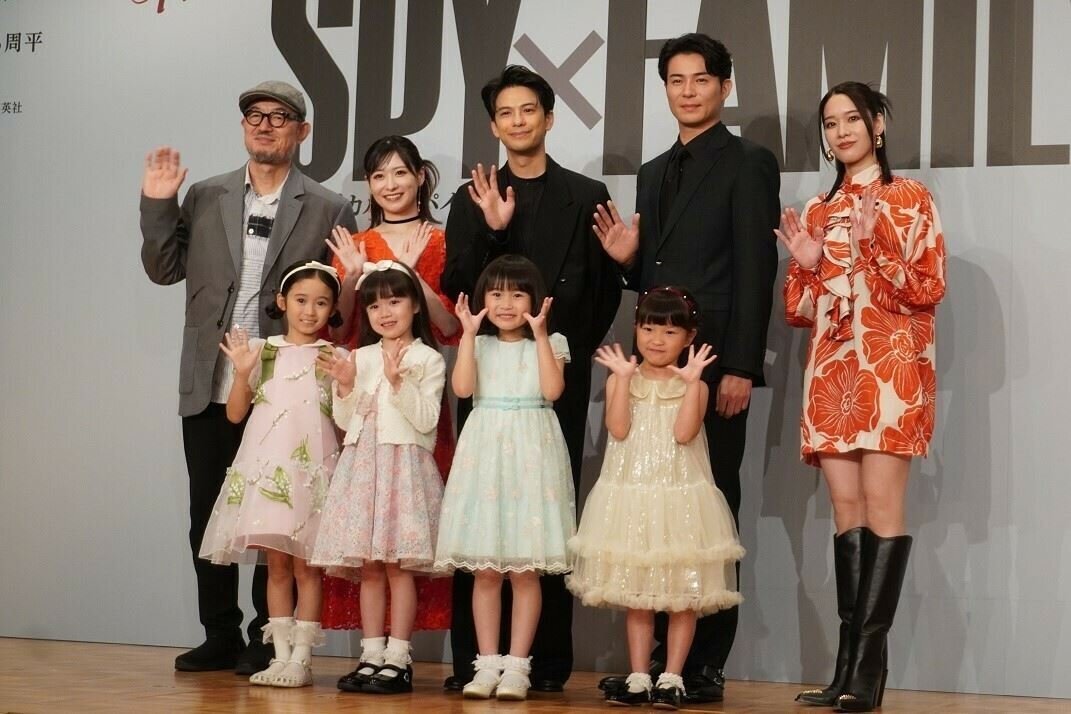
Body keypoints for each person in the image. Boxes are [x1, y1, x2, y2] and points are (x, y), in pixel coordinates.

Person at [139, 80, 357, 673]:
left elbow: (336, 307)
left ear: (301, 131)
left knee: (276, 516)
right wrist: (158, 205)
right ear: (243, 128)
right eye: (254, 116)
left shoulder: (328, 205)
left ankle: (269, 634)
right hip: (211, 378)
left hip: (284, 390)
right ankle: (219, 633)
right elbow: (163, 268)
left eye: (279, 117)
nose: (264, 125)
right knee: (206, 512)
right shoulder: (205, 194)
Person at [593, 33, 780, 702]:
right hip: (654, 372)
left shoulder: (748, 162)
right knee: (655, 512)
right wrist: (625, 263)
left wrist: (740, 365)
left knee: (710, 509)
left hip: (711, 367)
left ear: (725, 87)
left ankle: (702, 665)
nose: (688, 91)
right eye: (676, 80)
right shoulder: (652, 171)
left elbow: (756, 269)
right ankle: (651, 666)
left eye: (701, 79)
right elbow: (658, 275)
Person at [441, 64, 621, 693]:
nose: (517, 121)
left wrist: (566, 352)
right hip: (489, 377)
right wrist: (493, 231)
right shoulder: (473, 195)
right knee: (481, 520)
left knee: (546, 520)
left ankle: (541, 665)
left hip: (551, 374)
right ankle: (476, 660)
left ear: (548, 117)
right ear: (494, 126)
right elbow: (457, 283)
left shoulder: (587, 193)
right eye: (505, 113)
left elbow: (602, 290)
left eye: (528, 110)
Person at [778, 81, 945, 713]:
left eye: (852, 118)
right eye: (830, 123)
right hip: (832, 370)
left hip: (891, 367)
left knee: (882, 506)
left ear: (878, 125)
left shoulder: (910, 197)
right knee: (845, 510)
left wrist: (875, 243)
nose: (841, 131)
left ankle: (869, 668)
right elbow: (800, 308)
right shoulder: (819, 207)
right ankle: (845, 667)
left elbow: (927, 287)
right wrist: (807, 261)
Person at [568, 287, 745, 709]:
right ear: (636, 329)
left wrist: (692, 384)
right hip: (633, 497)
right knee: (638, 596)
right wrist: (622, 381)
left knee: (682, 596)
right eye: (648, 329)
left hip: (679, 498)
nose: (657, 340)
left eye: (669, 331)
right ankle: (637, 676)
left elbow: (684, 434)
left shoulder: (694, 385)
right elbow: (618, 429)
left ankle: (671, 677)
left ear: (689, 337)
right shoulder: (621, 379)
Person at [319, 136, 458, 647]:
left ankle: (402, 650)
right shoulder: (355, 245)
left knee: (413, 533)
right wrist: (352, 278)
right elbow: (339, 328)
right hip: (366, 390)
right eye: (379, 176)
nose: (391, 184)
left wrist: (416, 275)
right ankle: (373, 649)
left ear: (421, 177)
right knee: (371, 538)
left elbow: (450, 328)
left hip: (416, 392)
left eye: (401, 172)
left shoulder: (441, 241)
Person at [434, 255, 576, 701]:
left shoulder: (552, 341)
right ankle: (486, 663)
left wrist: (540, 336)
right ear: (483, 299)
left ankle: (517, 666)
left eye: (517, 294)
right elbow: (462, 389)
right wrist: (468, 335)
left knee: (525, 569)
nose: (507, 304)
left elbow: (552, 391)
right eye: (496, 294)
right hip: (486, 452)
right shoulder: (478, 342)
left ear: (536, 300)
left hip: (533, 451)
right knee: (486, 570)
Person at [199, 260, 345, 687]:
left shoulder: (334, 356)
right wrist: (242, 374)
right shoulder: (263, 351)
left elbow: (344, 418)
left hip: (312, 474)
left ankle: (302, 659)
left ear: (333, 307)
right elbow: (235, 414)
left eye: (321, 303)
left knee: (307, 570)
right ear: (282, 301)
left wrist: (347, 383)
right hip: (269, 474)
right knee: (276, 567)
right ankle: (279, 656)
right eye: (300, 300)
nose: (309, 311)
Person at [311, 260, 447, 695]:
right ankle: (371, 654)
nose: (384, 313)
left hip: (403, 469)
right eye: (373, 306)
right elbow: (345, 420)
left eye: (394, 301)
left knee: (398, 566)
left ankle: (398, 658)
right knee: (369, 567)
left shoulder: (427, 359)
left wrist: (398, 383)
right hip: (362, 469)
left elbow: (426, 420)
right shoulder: (360, 356)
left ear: (414, 306)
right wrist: (345, 386)